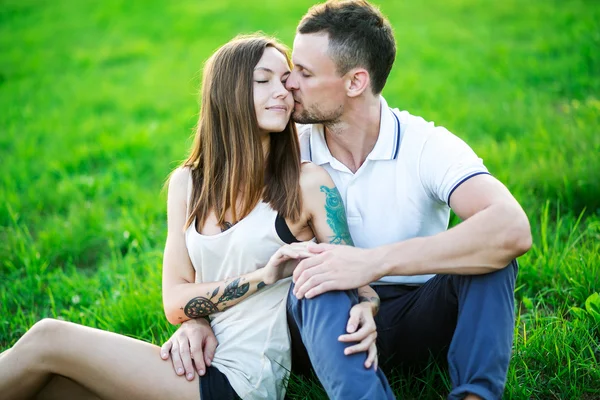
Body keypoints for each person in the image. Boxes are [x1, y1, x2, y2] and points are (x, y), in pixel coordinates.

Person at [165, 1, 533, 400]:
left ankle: (474, 396)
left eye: (302, 74)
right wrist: (200, 319)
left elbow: (512, 228)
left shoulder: (425, 146)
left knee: (491, 256)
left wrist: (371, 264)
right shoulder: (286, 149)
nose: (288, 86)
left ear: (355, 82)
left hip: (417, 314)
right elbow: (218, 247)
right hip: (318, 330)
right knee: (316, 274)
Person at [0, 34, 394, 400]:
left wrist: (367, 305)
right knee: (50, 387)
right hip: (192, 363)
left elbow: (354, 275)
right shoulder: (187, 184)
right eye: (264, 80)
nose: (283, 92)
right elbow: (175, 300)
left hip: (242, 380)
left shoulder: (307, 184)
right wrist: (260, 278)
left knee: (48, 337)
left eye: (286, 80)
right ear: (227, 93)